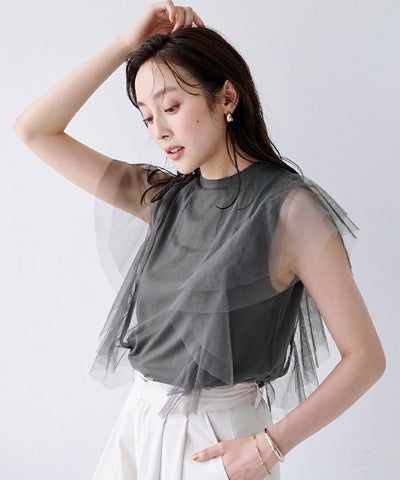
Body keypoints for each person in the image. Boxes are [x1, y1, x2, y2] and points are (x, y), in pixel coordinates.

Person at [14, 1, 386, 479]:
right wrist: (127, 44)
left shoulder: (289, 208)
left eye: (171, 107)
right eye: (146, 117)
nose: (159, 131)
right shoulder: (162, 198)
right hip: (138, 426)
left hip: (219, 438)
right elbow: (34, 130)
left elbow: (366, 358)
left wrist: (270, 446)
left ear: (227, 97)